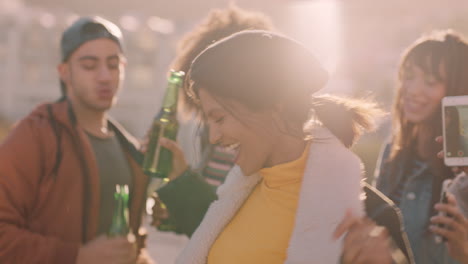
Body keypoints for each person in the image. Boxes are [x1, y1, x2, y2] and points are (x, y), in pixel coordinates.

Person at [171, 29, 390, 264]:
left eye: (220, 118)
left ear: (276, 106)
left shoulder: (365, 216)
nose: (213, 137)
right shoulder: (238, 194)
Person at [0, 16, 153, 263]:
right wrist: (77, 255)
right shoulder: (37, 134)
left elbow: (128, 243)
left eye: (113, 65)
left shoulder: (129, 149)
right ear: (64, 72)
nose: (104, 76)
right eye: (89, 66)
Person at [151, 5, 275, 236]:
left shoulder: (260, 143)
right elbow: (211, 208)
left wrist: (182, 180)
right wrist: (178, 211)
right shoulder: (212, 131)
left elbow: (233, 228)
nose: (215, 133)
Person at [374, 29, 468, 264]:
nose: (412, 89)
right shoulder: (393, 151)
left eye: (430, 81)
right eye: (408, 76)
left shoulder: (463, 170)